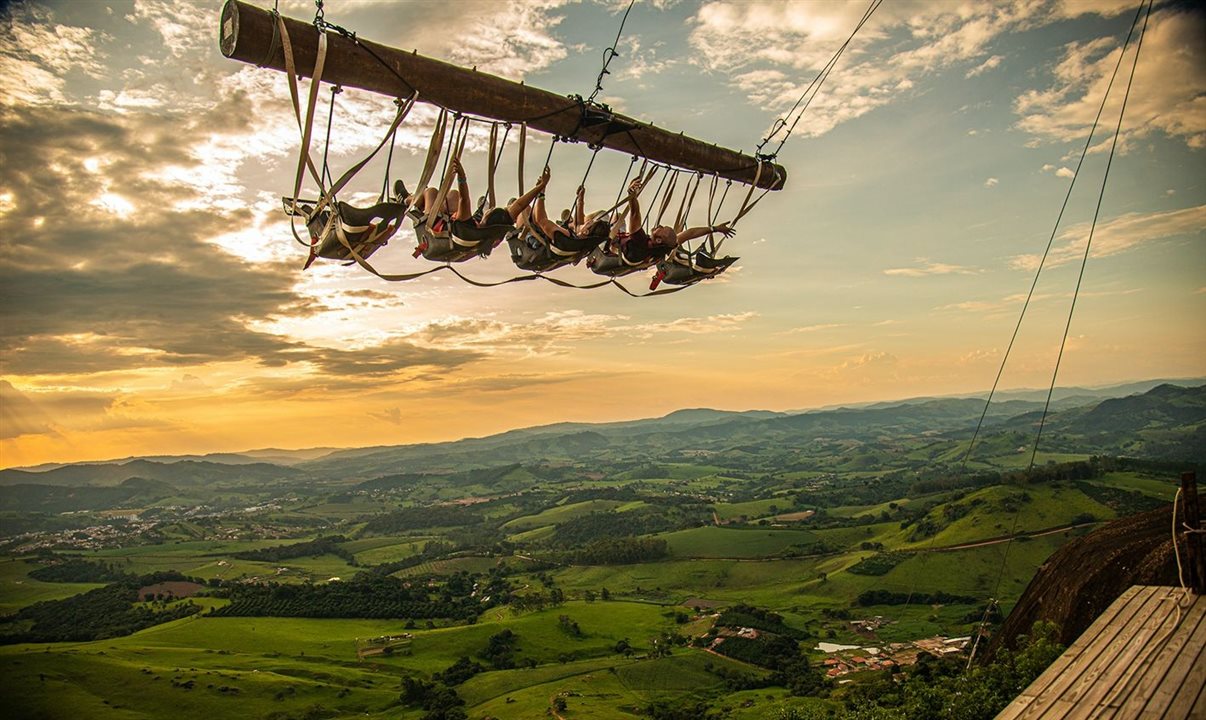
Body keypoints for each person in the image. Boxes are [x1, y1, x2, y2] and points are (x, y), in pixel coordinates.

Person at [613, 177, 735, 266]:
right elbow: (690, 233)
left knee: (600, 216)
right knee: (618, 217)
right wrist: (715, 229)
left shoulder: (640, 242)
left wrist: (631, 194)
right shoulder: (663, 249)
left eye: (661, 228)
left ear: (659, 239)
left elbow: (634, 213)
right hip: (630, 252)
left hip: (617, 247)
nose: (659, 226)